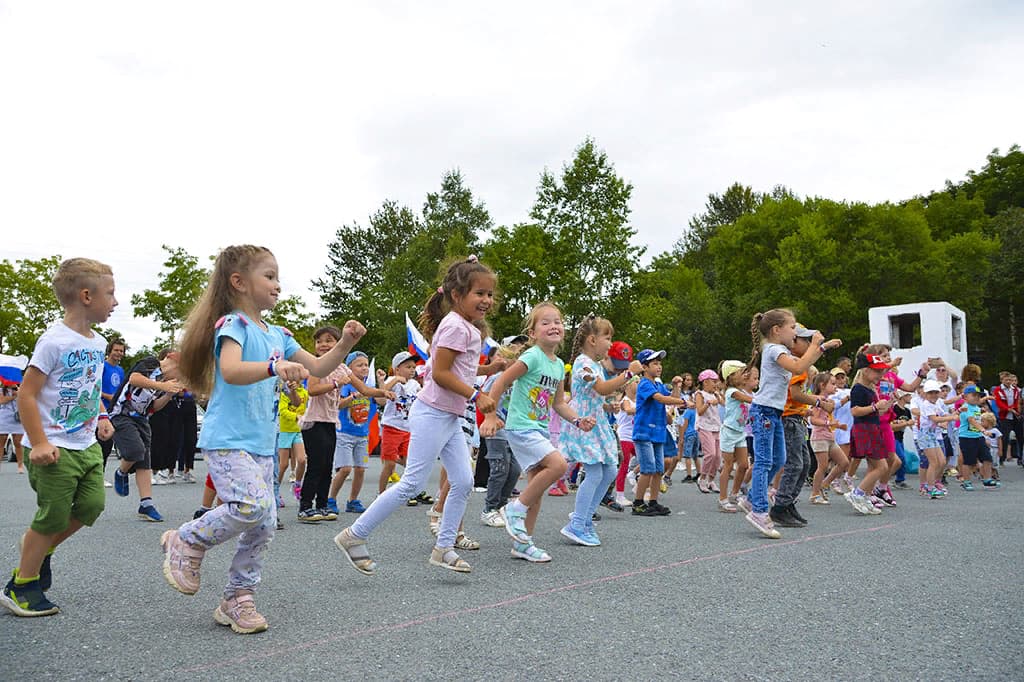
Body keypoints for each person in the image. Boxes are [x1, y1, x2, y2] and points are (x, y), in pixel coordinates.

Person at [159, 244, 365, 634]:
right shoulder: (233, 326)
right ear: (239, 282)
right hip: (228, 439)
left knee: (264, 523)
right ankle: (186, 539)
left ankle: (237, 597)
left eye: (277, 277)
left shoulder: (280, 334)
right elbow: (232, 370)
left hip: (260, 443)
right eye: (268, 276)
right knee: (251, 506)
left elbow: (318, 367)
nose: (277, 284)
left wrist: (345, 344)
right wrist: (273, 366)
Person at [335, 256, 497, 575]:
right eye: (479, 293)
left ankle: (444, 547)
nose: (487, 300)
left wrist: (490, 369)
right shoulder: (455, 326)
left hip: (449, 416)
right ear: (456, 295)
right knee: (412, 483)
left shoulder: (465, 328)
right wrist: (478, 395)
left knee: (463, 481)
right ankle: (354, 535)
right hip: (433, 412)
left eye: (490, 294)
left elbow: (460, 367)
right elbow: (439, 373)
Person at [1, 258, 117, 616]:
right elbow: (26, 393)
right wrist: (38, 443)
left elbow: (91, 385)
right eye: (110, 293)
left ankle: (39, 548)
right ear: (86, 296)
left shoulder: (99, 342)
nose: (115, 302)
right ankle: (21, 586)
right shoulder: (53, 341)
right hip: (53, 448)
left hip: (86, 444)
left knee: (91, 506)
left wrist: (101, 415)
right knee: (52, 516)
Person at [479, 301, 593, 562]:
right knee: (559, 465)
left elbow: (559, 403)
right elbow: (502, 380)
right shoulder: (531, 356)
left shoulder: (557, 364)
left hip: (538, 429)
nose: (553, 325)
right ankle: (514, 510)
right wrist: (491, 414)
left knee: (537, 487)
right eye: (545, 322)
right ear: (532, 333)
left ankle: (522, 543)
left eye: (558, 321)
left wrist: (578, 420)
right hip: (521, 427)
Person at [744, 309, 838, 539]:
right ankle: (758, 510)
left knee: (779, 460)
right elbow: (798, 368)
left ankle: (750, 499)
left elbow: (804, 363)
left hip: (774, 413)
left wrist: (821, 348)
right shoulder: (774, 349)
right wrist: (817, 343)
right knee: (765, 461)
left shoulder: (781, 350)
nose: (795, 332)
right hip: (764, 411)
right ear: (777, 330)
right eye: (792, 327)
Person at [559, 315, 642, 546]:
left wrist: (607, 406)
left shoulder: (593, 364)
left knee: (610, 471)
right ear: (592, 339)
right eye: (608, 337)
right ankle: (578, 523)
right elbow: (602, 387)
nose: (610, 343)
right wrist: (628, 374)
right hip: (585, 423)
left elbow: (595, 394)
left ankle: (584, 517)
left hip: (597, 421)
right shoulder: (583, 363)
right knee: (595, 472)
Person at [770, 323, 840, 529]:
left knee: (804, 464)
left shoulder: (798, 363)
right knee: (795, 464)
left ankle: (788, 502)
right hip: (789, 420)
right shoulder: (794, 364)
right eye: (806, 341)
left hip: (796, 418)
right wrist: (819, 401)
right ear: (793, 342)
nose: (810, 345)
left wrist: (824, 347)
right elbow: (795, 394)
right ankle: (780, 506)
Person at [110, 348, 185, 522]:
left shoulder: (165, 382)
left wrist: (168, 394)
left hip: (141, 418)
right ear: (171, 358)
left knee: (144, 460)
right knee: (135, 450)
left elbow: (154, 406)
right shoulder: (151, 364)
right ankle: (121, 473)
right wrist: (162, 386)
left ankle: (146, 503)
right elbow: (134, 378)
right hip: (121, 414)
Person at [328, 351, 394, 514]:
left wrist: (381, 382)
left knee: (360, 469)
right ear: (350, 368)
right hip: (344, 433)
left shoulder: (369, 386)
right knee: (345, 469)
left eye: (366, 364)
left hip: (362, 434)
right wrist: (352, 398)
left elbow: (382, 401)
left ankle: (353, 500)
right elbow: (338, 404)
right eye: (359, 365)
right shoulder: (347, 385)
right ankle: (331, 499)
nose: (364, 368)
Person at [630, 349, 688, 516]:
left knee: (658, 470)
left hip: (658, 432)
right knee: (647, 469)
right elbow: (661, 399)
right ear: (644, 367)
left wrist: (677, 386)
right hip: (644, 432)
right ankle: (638, 503)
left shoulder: (658, 384)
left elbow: (671, 398)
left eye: (659, 363)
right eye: (654, 363)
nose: (659, 366)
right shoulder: (645, 384)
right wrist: (683, 401)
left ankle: (653, 502)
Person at [479, 340, 524, 527]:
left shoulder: (520, 380)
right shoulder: (495, 378)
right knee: (500, 469)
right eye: (514, 358)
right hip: (496, 429)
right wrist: (491, 417)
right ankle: (489, 509)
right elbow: (484, 399)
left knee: (514, 470)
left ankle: (502, 505)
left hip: (512, 429)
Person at [843, 352, 892, 515]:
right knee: (882, 466)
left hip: (872, 427)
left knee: (874, 466)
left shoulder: (869, 389)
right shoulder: (858, 389)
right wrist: (875, 407)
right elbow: (855, 411)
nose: (880, 374)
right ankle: (857, 493)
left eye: (881, 371)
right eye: (876, 371)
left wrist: (882, 408)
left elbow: (874, 411)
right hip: (865, 429)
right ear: (865, 370)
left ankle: (865, 496)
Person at [377, 351, 419, 497]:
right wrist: (393, 380)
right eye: (408, 367)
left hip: (408, 428)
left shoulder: (414, 384)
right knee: (390, 464)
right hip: (392, 427)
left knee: (409, 462)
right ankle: (381, 494)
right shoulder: (392, 381)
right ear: (397, 369)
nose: (412, 370)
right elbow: (381, 397)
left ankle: (410, 492)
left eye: (414, 367)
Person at [806, 371, 849, 504]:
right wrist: (828, 423)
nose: (835, 386)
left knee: (844, 462)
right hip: (819, 437)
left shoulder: (829, 400)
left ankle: (825, 484)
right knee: (823, 466)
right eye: (832, 383)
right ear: (822, 385)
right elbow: (813, 419)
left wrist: (838, 425)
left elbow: (834, 409)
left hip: (830, 437)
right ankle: (814, 494)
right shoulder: (817, 400)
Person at [718, 361, 753, 513]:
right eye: (741, 372)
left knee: (744, 465)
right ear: (731, 377)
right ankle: (723, 499)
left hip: (740, 432)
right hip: (729, 432)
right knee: (728, 465)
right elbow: (750, 400)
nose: (745, 375)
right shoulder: (732, 391)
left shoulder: (742, 391)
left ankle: (734, 493)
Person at [957, 385, 1000, 489]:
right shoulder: (965, 407)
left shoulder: (977, 408)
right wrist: (984, 431)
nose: (976, 397)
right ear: (965, 397)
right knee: (968, 461)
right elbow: (971, 420)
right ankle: (966, 481)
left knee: (987, 458)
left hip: (978, 437)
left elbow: (979, 420)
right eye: (973, 395)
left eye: (978, 396)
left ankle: (987, 479)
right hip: (966, 437)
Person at [276, 379, 308, 508]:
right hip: (285, 430)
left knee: (302, 460)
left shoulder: (304, 392)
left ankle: (297, 485)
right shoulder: (285, 392)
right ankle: (275, 491)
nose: (296, 380)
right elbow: (282, 411)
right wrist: (295, 416)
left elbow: (305, 409)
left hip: (297, 430)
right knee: (283, 465)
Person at [97, 338, 125, 484]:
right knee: (100, 444)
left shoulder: (120, 370)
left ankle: (100, 475)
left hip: (115, 412)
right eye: (116, 350)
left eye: (121, 351)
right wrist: (109, 396)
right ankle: (97, 476)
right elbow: (93, 388)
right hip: (100, 411)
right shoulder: (102, 367)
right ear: (109, 351)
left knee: (108, 446)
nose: (119, 353)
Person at [694, 369, 723, 494]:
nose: (716, 384)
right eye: (713, 381)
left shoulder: (716, 394)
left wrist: (718, 397)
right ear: (705, 382)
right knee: (710, 453)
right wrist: (708, 403)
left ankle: (711, 480)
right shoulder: (700, 394)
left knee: (717, 456)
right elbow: (699, 411)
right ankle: (702, 478)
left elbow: (724, 403)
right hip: (704, 426)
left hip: (716, 426)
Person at [993, 372, 1021, 464]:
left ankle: (1020, 457)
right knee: (1004, 437)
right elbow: (999, 402)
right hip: (1004, 416)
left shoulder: (1015, 390)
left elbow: (1017, 401)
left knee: (1020, 436)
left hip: (1015, 415)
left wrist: (1014, 409)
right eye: (1006, 380)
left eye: (1010, 380)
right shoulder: (998, 390)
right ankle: (1002, 458)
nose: (1008, 381)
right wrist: (1008, 409)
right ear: (1002, 380)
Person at [0, 384, 25, 473]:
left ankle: (20, 465)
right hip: (4, 418)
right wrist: (13, 396)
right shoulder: (2, 390)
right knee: (1, 442)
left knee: (18, 442)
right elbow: (1, 401)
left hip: (17, 418)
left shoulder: (21, 389)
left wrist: (18, 393)